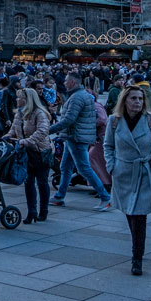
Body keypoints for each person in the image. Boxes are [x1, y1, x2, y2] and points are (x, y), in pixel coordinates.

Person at [103, 85, 151, 276]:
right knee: (129, 213)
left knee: (140, 216)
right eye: (133, 98)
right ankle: (137, 247)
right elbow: (108, 145)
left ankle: (137, 258)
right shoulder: (114, 121)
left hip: (144, 172)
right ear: (124, 100)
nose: (138, 102)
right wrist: (112, 166)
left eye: (140, 99)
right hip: (123, 172)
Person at [50, 72, 111, 210]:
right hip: (74, 137)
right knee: (65, 167)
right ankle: (59, 196)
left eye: (66, 80)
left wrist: (48, 130)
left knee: (83, 168)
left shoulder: (77, 97)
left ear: (72, 82)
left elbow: (69, 119)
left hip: (76, 138)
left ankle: (105, 197)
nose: (64, 83)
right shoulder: (81, 95)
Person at [7, 85, 53, 223]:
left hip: (41, 152)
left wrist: (27, 141)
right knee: (28, 182)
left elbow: (43, 130)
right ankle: (31, 211)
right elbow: (13, 130)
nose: (17, 99)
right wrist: (6, 137)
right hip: (27, 152)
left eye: (19, 97)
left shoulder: (39, 113)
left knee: (42, 182)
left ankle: (43, 211)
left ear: (27, 99)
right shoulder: (20, 113)